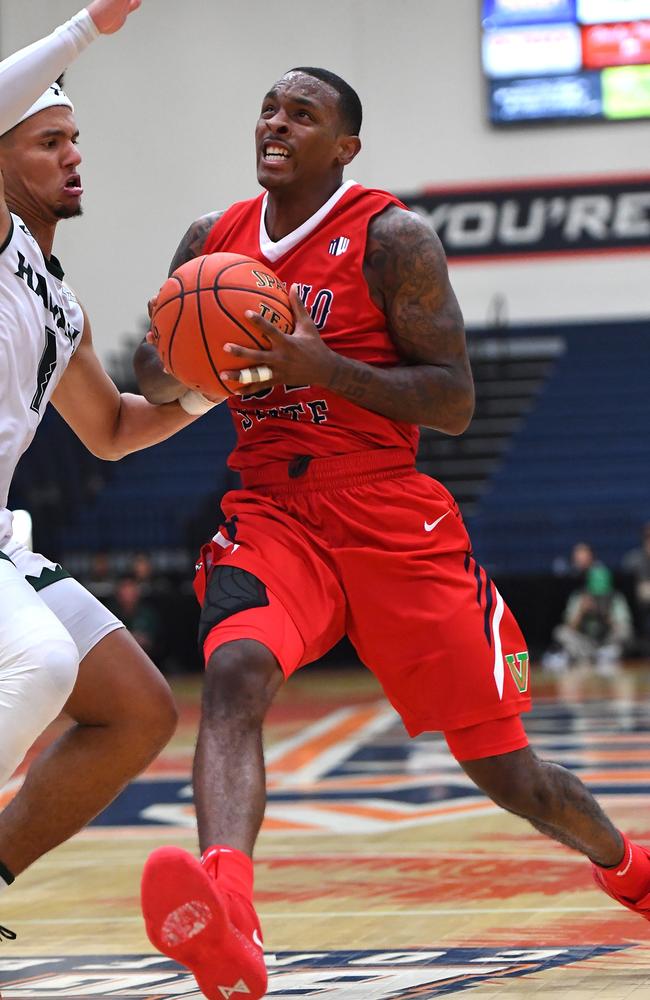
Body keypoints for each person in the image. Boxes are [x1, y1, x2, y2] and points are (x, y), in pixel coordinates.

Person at [135, 68, 650, 1000]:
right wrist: (193, 353)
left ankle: (629, 868)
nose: (277, 123)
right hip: (272, 508)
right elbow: (154, 369)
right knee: (234, 674)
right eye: (269, 108)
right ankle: (229, 916)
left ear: (346, 148)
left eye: (303, 114)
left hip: (387, 509)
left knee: (508, 771)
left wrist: (317, 364)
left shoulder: (392, 237)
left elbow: (453, 400)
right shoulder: (211, 243)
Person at [0, 0, 216, 925]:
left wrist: (215, 389)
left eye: (75, 137)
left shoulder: (57, 297)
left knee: (136, 708)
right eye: (49, 139)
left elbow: (114, 429)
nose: (73, 153)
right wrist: (88, 26)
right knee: (43, 664)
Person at [550, 564, 634, 675]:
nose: (598, 598)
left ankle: (605, 653)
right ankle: (586, 654)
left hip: (607, 641)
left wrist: (605, 615)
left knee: (626, 631)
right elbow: (569, 626)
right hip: (585, 642)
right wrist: (582, 612)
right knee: (560, 632)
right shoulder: (579, 597)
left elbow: (622, 626)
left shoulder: (615, 598)